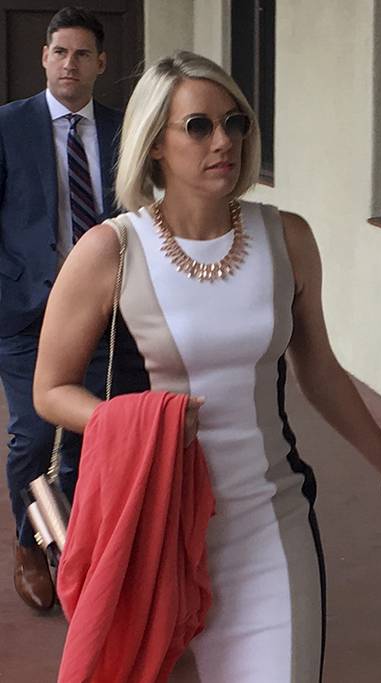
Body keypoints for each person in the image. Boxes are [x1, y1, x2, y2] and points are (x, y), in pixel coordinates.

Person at [34, 50, 381, 681]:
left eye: (236, 122)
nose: (222, 140)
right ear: (154, 145)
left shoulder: (288, 239)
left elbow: (321, 371)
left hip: (268, 520)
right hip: (157, 526)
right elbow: (50, 389)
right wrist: (142, 423)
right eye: (198, 127)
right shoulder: (112, 249)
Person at [0, 6, 144, 611]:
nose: (69, 63)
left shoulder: (125, 130)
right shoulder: (8, 125)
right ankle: (31, 543)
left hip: (107, 310)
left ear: (100, 64)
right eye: (60, 52)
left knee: (93, 435)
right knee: (31, 439)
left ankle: (76, 548)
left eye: (82, 54)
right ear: (44, 57)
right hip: (27, 309)